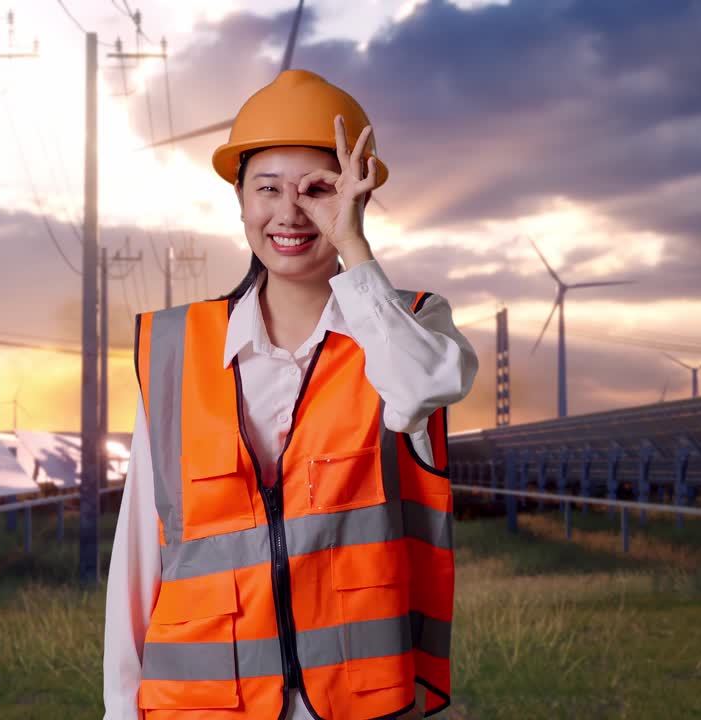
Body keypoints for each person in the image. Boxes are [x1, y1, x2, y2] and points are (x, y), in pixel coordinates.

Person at [103, 69, 478, 720]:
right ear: (240, 200)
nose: (289, 213)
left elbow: (423, 388)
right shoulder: (175, 347)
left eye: (319, 191)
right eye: (266, 189)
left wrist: (353, 248)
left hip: (363, 703)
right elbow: (140, 550)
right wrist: (118, 708)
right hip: (199, 704)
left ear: (355, 197)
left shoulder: (411, 324)